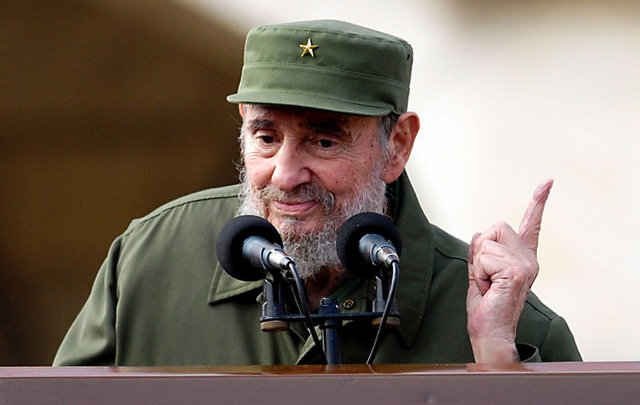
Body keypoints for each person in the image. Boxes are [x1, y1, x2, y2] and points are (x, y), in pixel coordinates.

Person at [53, 19, 581, 366]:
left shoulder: (511, 325)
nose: (285, 175)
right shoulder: (148, 261)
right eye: (266, 138)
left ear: (397, 146)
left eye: (323, 141)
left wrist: (498, 364)